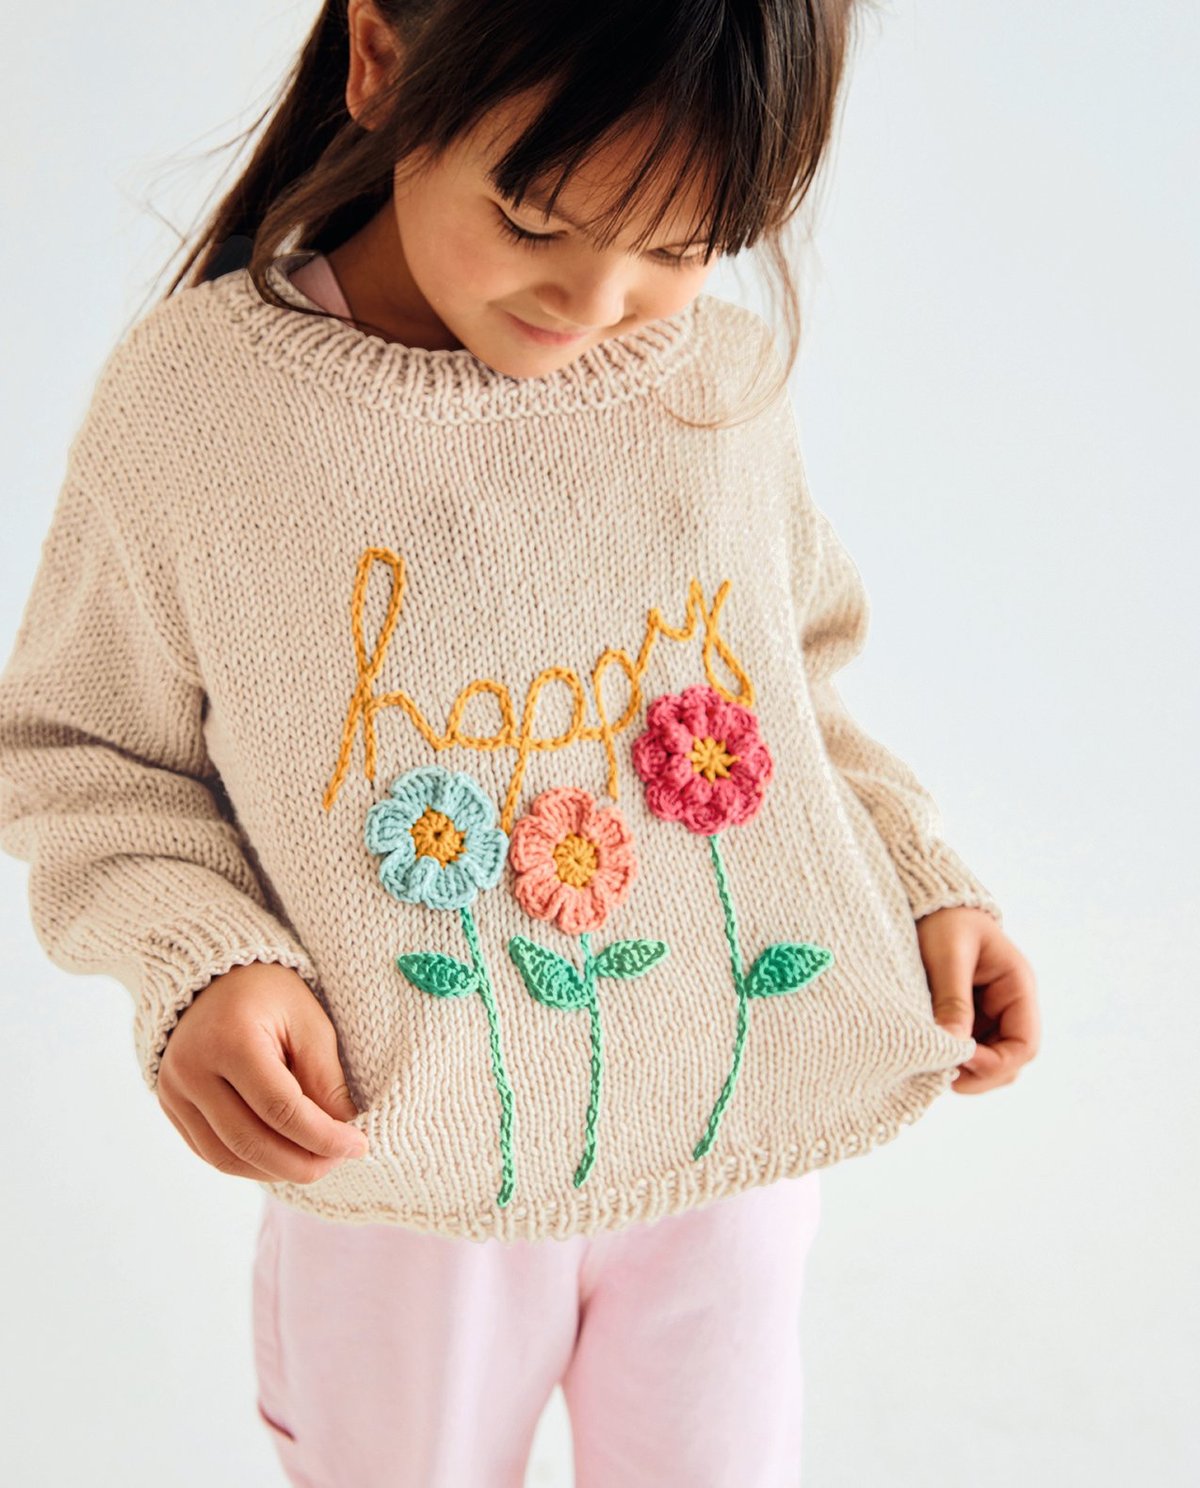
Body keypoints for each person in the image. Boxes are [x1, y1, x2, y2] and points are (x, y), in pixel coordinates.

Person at [0, 2, 1041, 1484]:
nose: (598, 300)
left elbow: (788, 691)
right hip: (407, 1170)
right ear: (380, 60)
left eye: (685, 246)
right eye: (537, 220)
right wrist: (205, 960)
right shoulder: (201, 412)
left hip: (733, 1133)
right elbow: (79, 751)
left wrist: (918, 877)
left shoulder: (716, 382)